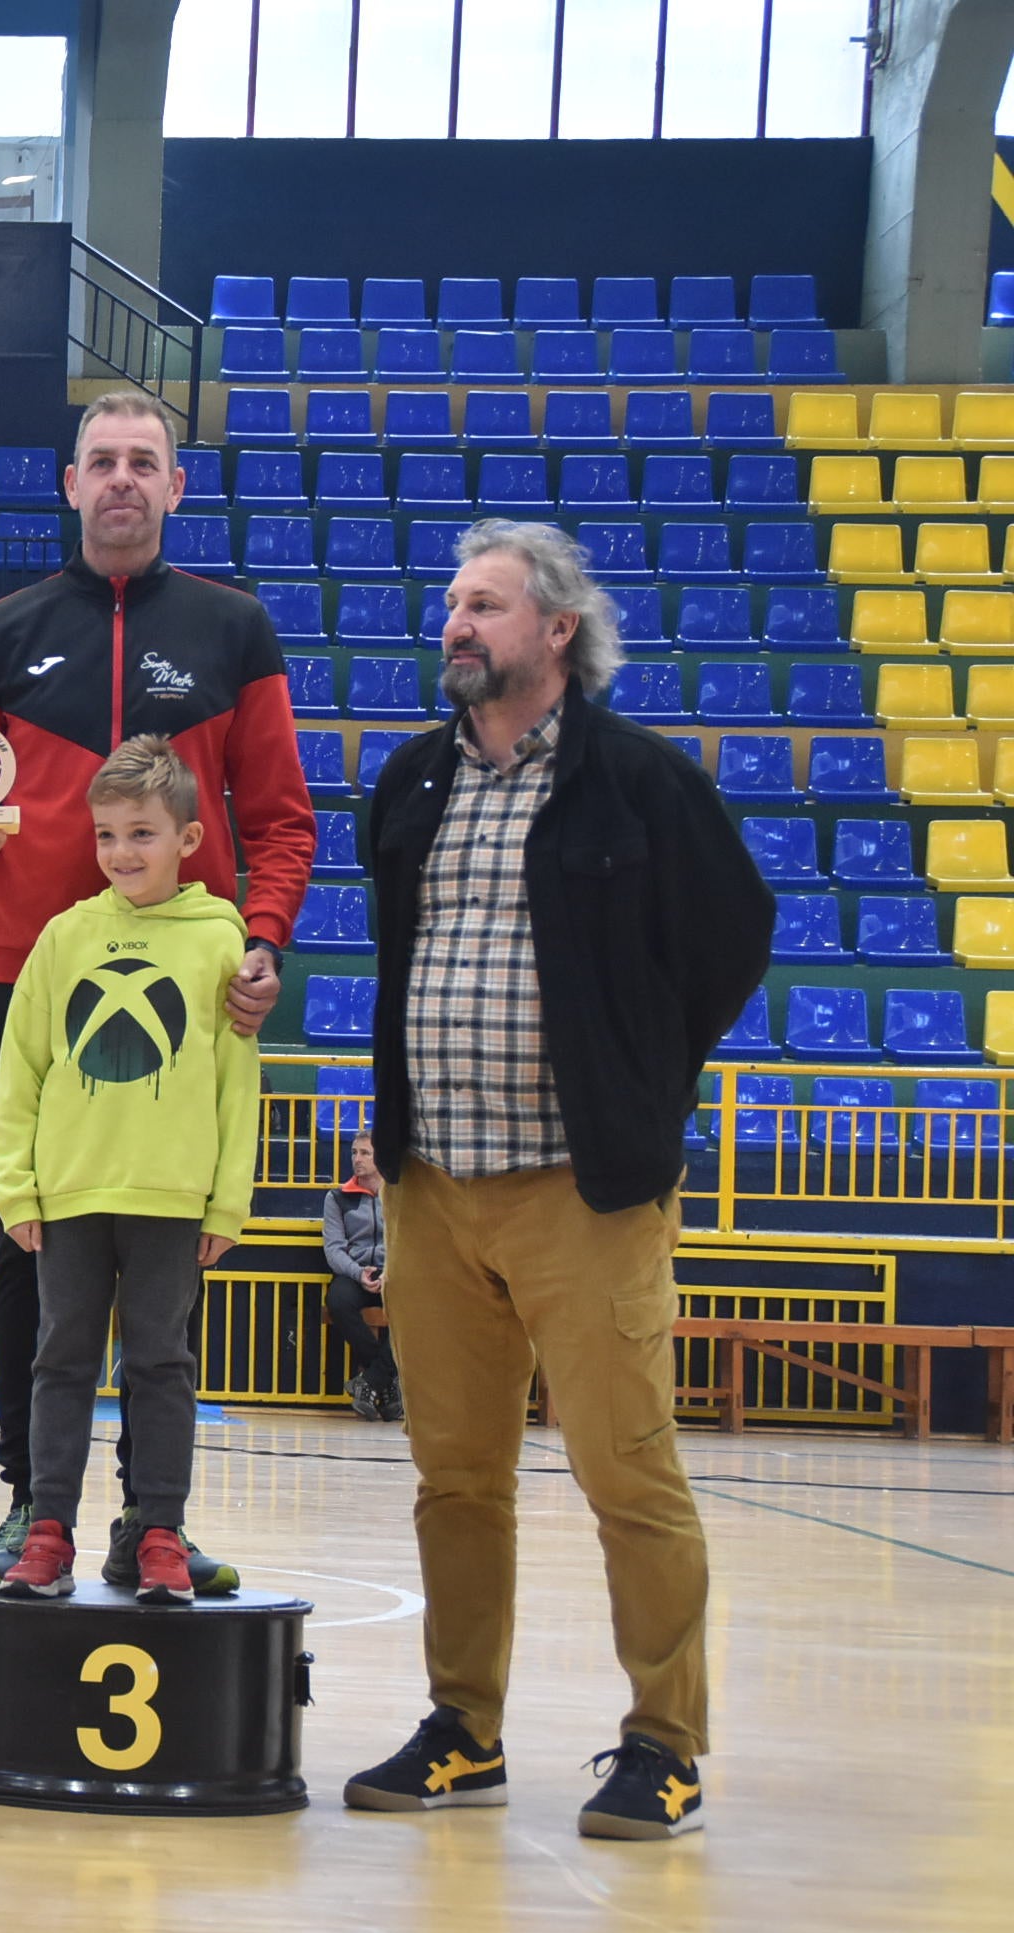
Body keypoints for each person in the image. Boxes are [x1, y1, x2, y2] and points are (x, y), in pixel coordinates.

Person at [341, 520, 771, 1841]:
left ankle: (666, 1744)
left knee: (628, 1474)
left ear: (556, 633)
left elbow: (730, 940)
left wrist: (633, 1078)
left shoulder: (639, 785)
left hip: (584, 1190)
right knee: (453, 1478)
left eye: (485, 606)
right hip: (434, 1188)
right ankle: (464, 1727)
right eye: (452, 605)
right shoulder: (412, 783)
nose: (457, 625)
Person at [0, 390, 312, 1594]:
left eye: (142, 462)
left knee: (164, 1269)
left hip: (191, 988)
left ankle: (156, 1516)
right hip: (29, 977)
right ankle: (23, 1503)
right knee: (30, 1244)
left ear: (175, 486)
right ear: (68, 484)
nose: (119, 481)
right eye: (100, 461)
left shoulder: (232, 629)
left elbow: (279, 817)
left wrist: (258, 941)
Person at [0, 738, 259, 1602]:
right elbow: (22, 1072)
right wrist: (15, 1188)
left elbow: (235, 1083)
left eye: (141, 833)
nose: (120, 853)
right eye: (106, 835)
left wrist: (228, 1204)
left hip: (172, 1199)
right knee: (59, 1362)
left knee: (161, 1366)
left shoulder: (222, 941)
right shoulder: (66, 938)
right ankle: (48, 1530)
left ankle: (160, 1533)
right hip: (69, 1196)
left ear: (188, 838)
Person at [322, 1130, 400, 1421]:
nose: (357, 1159)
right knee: (338, 1300)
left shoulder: (399, 1194)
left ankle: (369, 1384)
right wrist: (358, 1273)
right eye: (354, 1152)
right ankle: (385, 1382)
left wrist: (390, 1272)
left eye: (365, 1153)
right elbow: (333, 1249)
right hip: (355, 1271)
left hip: (393, 1271)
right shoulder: (337, 1197)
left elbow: (411, 1242)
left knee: (410, 1306)